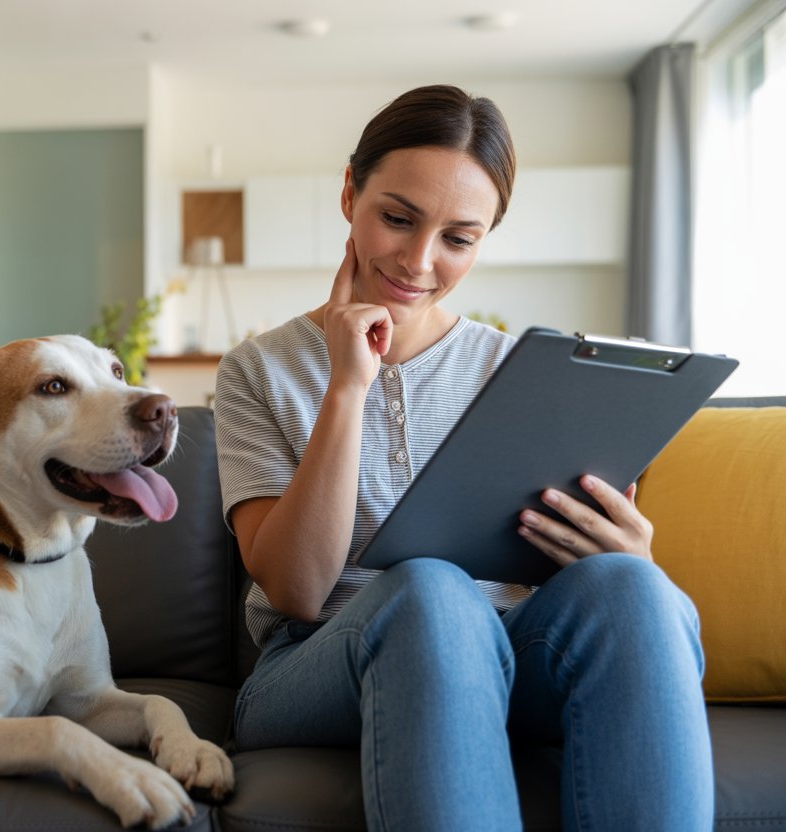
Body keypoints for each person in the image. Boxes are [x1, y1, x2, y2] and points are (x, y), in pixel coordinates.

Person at [214, 85, 713, 831]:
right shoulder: (257, 370)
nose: (419, 262)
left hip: (509, 651)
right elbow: (297, 592)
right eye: (398, 218)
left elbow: (584, 585)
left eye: (458, 238)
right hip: (317, 665)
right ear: (350, 192)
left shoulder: (522, 370)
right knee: (430, 591)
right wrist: (347, 384)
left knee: (635, 589)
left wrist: (629, 557)